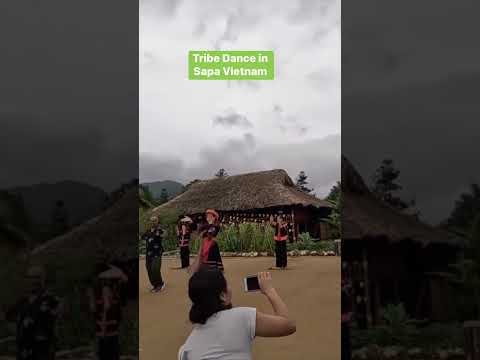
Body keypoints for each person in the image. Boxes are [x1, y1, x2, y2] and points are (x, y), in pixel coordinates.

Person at [178, 269, 296, 360]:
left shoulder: (185, 350)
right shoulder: (240, 317)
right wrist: (269, 290)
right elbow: (288, 325)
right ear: (222, 296)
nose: (230, 288)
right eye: (227, 284)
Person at [11, 265, 61, 360]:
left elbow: (54, 322)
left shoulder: (51, 299)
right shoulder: (23, 301)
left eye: (37, 277)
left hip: (42, 351)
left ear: (43, 279)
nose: (33, 281)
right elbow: (9, 318)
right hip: (23, 351)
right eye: (30, 278)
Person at [87, 262, 128, 360]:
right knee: (106, 353)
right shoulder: (100, 291)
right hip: (105, 332)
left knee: (109, 353)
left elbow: (124, 278)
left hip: (109, 332)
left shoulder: (112, 290)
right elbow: (96, 309)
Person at [190, 209, 223, 273]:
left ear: (214, 217)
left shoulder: (215, 226)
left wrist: (207, 229)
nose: (208, 218)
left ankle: (212, 270)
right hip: (205, 243)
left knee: (211, 258)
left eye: (209, 216)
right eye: (207, 216)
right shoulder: (206, 226)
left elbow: (211, 234)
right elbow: (202, 233)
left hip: (211, 244)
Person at [142, 216, 165, 292]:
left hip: (157, 253)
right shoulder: (148, 231)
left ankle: (160, 284)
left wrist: (155, 234)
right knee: (149, 269)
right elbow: (143, 238)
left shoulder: (160, 230)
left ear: (158, 221)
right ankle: (155, 285)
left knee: (155, 268)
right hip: (148, 253)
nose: (153, 222)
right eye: (151, 221)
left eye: (155, 220)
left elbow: (161, 236)